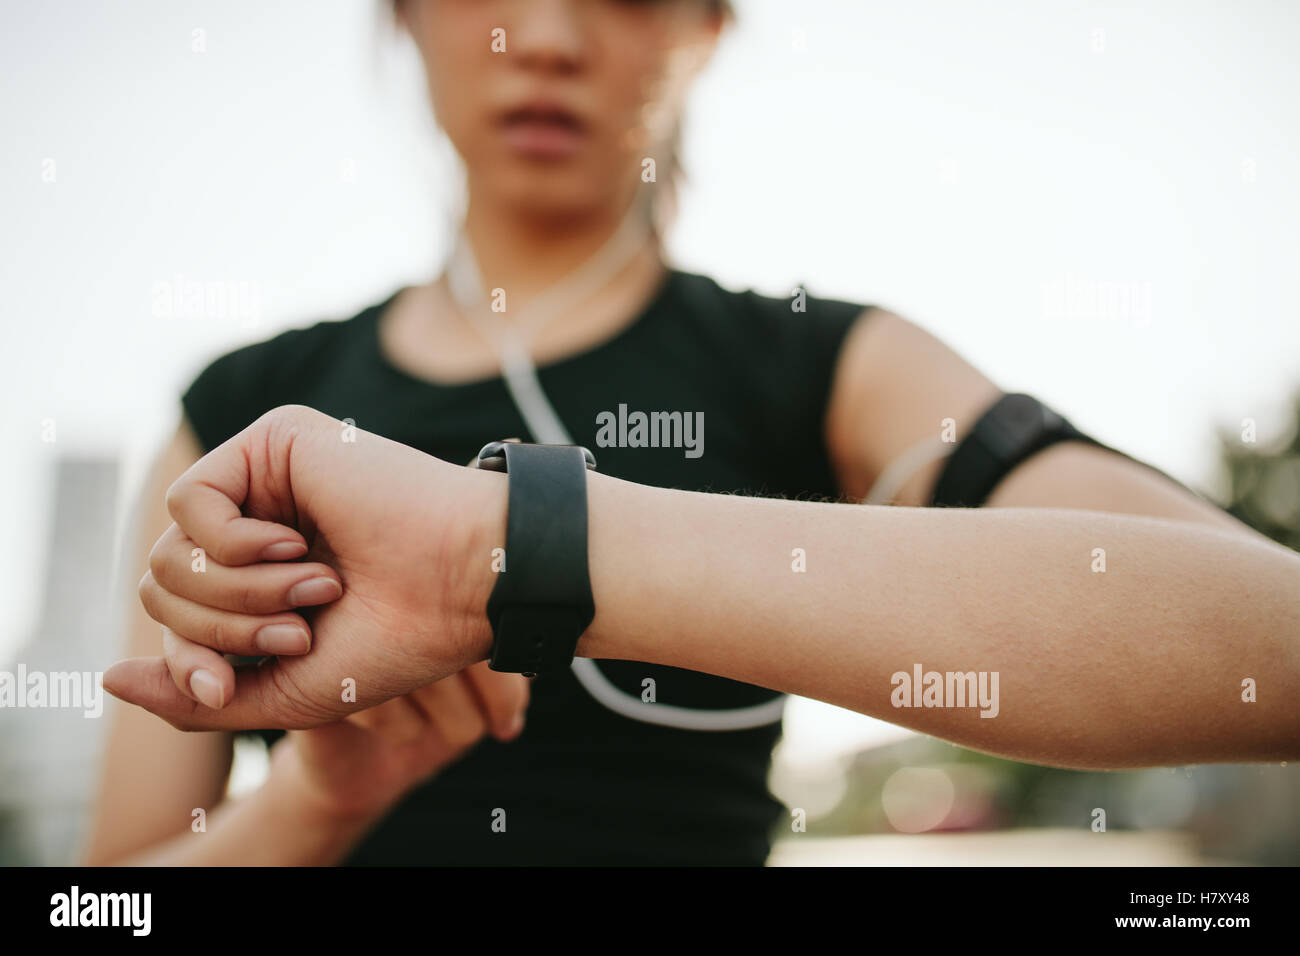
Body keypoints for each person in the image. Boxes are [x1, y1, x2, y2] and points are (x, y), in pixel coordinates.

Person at [86, 0, 1299, 867]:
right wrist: (318, 803)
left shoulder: (823, 362)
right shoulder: (242, 410)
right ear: (399, 15)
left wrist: (510, 548)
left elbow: (1271, 647)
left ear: (705, 29)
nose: (550, 36)